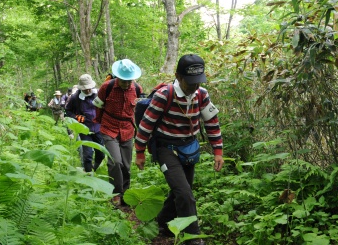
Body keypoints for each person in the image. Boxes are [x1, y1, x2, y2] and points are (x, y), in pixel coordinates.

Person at [135, 54, 224, 245]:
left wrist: (218, 151)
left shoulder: (202, 94)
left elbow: (212, 123)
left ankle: (164, 222)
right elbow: (146, 125)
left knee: (182, 191)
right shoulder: (164, 96)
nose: (194, 86)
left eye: (198, 82)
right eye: (190, 82)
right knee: (185, 194)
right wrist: (140, 152)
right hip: (165, 148)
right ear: (178, 76)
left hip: (189, 148)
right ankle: (193, 238)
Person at [93, 59, 143, 206]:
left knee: (126, 165)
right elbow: (98, 106)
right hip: (109, 127)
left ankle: (126, 193)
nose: (126, 84)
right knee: (115, 161)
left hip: (127, 128)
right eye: (123, 81)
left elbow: (139, 109)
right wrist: (99, 123)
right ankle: (116, 193)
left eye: (129, 81)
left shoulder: (137, 89)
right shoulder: (106, 87)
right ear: (117, 77)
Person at [65, 74, 105, 173]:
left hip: (98, 128)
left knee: (101, 153)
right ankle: (88, 175)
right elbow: (68, 111)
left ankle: (94, 168)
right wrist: (76, 117)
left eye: (89, 88)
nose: (88, 90)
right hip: (85, 129)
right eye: (85, 89)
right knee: (87, 155)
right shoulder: (75, 98)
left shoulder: (99, 93)